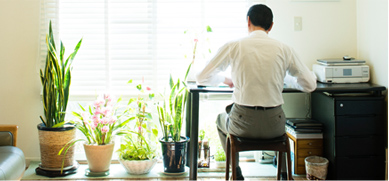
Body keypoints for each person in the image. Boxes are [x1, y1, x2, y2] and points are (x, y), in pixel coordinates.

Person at [196, 4, 317, 180]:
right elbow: (310, 84)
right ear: (271, 25)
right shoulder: (284, 49)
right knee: (284, 125)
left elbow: (202, 77)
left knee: (220, 120)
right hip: (274, 126)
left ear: (248, 21)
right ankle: (283, 174)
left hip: (242, 125)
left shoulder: (234, 46)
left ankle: (236, 173)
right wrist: (285, 79)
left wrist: (225, 79)